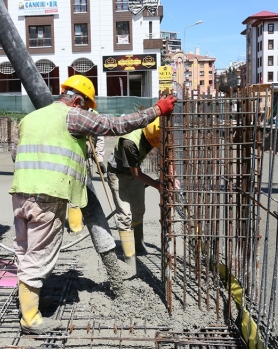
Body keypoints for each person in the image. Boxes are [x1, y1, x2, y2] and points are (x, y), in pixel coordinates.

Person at [10, 74, 177, 334]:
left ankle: (27, 304)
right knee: (39, 257)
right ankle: (30, 319)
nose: (87, 111)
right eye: (87, 106)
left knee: (24, 250)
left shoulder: (31, 118)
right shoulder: (73, 115)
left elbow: (15, 153)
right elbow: (115, 124)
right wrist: (156, 110)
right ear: (77, 100)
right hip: (48, 196)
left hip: (20, 193)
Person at [106, 117, 172, 277]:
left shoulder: (154, 133)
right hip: (118, 173)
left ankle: (139, 245)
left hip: (133, 173)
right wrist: (157, 185)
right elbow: (136, 174)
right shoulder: (130, 142)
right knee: (125, 214)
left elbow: (164, 155)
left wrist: (171, 172)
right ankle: (129, 259)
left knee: (138, 209)